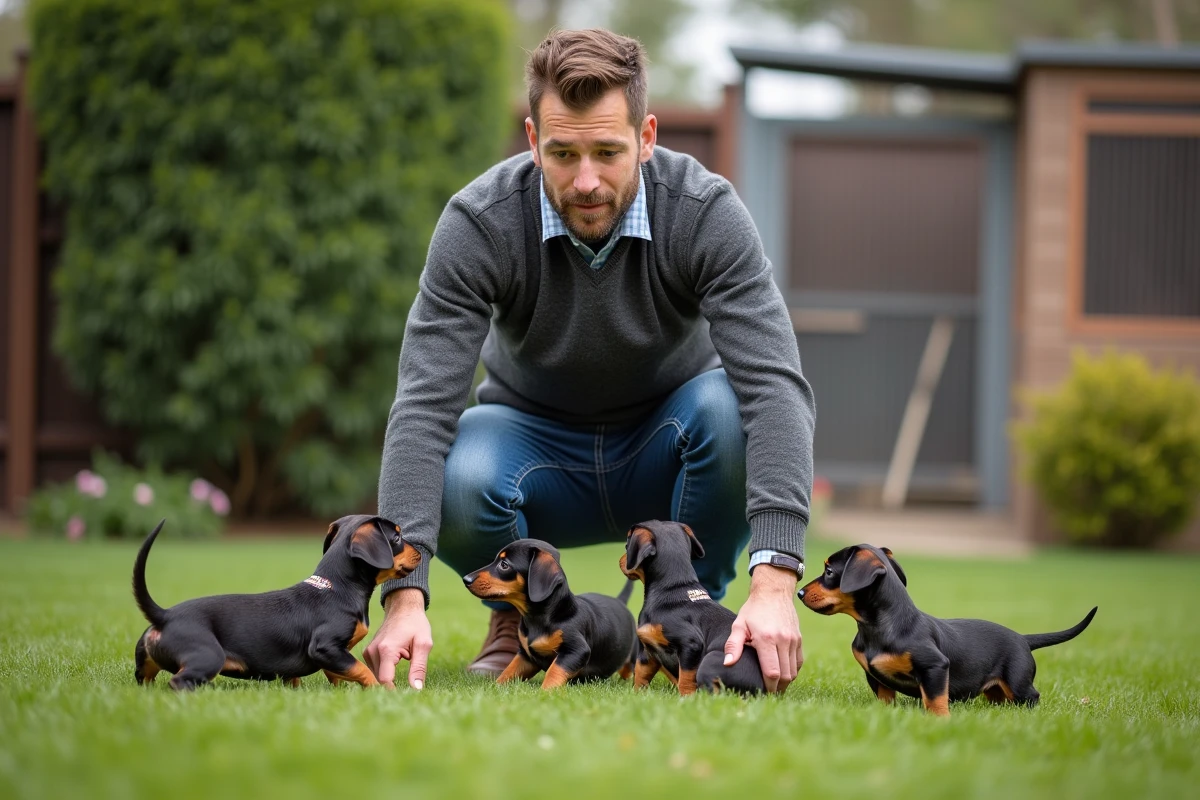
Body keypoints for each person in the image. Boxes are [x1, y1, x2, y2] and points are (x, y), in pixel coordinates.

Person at [363, 27, 815, 694]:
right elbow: (423, 407)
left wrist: (776, 578)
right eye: (562, 153)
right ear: (530, 139)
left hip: (668, 443)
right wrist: (404, 593)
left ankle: (694, 615)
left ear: (648, 136)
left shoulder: (704, 211)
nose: (585, 181)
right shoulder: (480, 223)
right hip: (533, 448)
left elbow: (776, 387)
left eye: (608, 152)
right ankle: (516, 622)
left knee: (727, 408)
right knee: (462, 469)